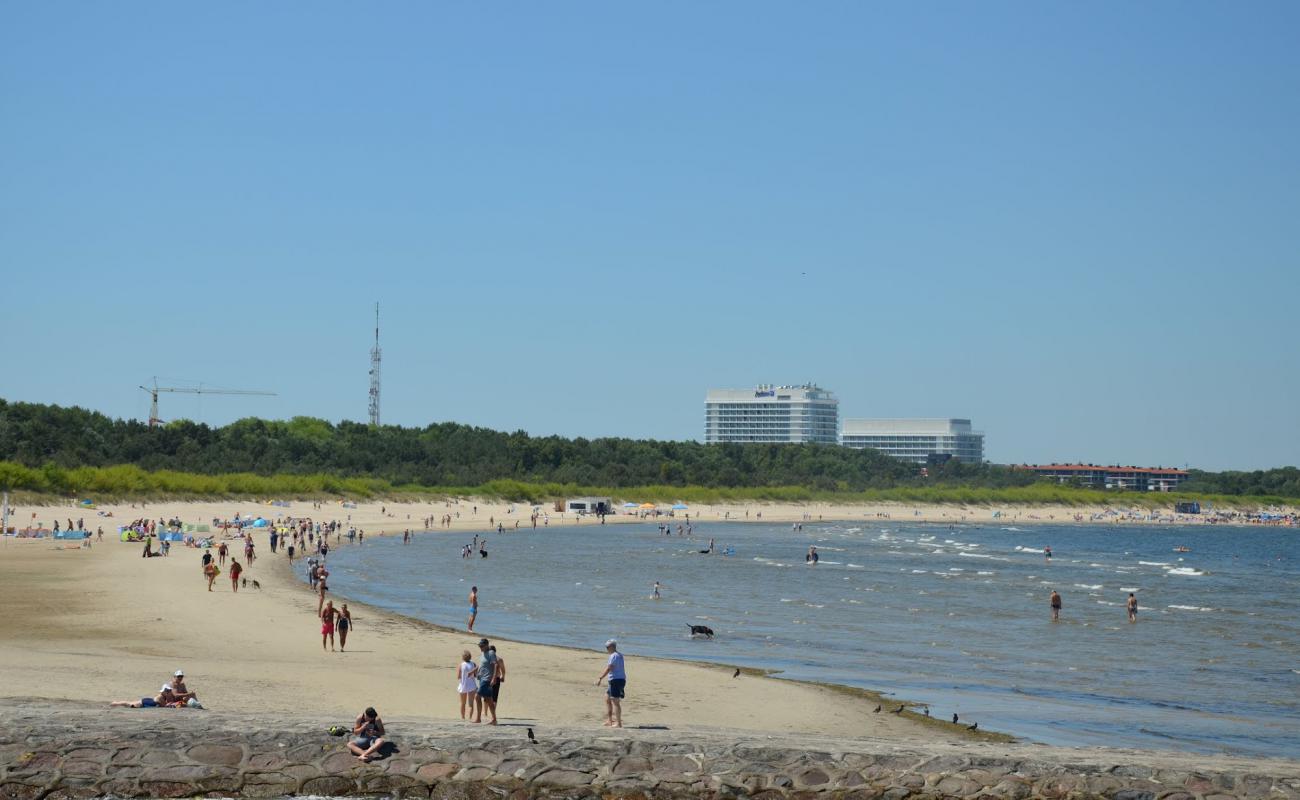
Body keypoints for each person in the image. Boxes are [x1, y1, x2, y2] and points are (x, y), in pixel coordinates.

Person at [596, 638, 626, 728]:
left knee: (615, 701)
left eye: (607, 647)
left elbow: (610, 668)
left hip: (616, 680)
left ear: (612, 646)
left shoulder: (614, 656)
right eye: (606, 647)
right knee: (607, 698)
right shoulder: (619, 655)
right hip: (618, 680)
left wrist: (600, 678)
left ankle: (619, 723)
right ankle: (610, 720)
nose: (607, 649)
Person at [473, 638, 499, 724]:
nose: (480, 647)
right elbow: (481, 665)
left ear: (487, 645)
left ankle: (478, 718)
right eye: (479, 646)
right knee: (489, 700)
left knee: (477, 696)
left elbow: (495, 665)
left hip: (487, 679)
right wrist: (474, 672)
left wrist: (494, 678)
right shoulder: (482, 653)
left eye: (482, 646)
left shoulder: (491, 653)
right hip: (481, 678)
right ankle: (493, 719)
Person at [111, 685, 176, 708]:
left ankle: (116, 703)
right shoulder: (160, 697)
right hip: (145, 702)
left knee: (129, 703)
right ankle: (115, 703)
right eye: (167, 690)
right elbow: (164, 706)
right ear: (163, 691)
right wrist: (171, 704)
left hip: (147, 701)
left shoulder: (163, 696)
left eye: (169, 690)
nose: (168, 692)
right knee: (128, 704)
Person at [456, 650, 478, 720]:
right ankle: (470, 718)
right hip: (472, 685)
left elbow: (458, 676)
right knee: (471, 704)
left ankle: (463, 717)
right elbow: (475, 675)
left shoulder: (461, 665)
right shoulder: (473, 664)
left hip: (463, 685)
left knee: (463, 703)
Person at [489, 644, 506, 711]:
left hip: (488, 678)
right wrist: (503, 676)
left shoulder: (487, 658)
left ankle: (486, 712)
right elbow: (503, 670)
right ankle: (493, 711)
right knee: (494, 696)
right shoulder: (499, 659)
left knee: (487, 696)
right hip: (496, 678)